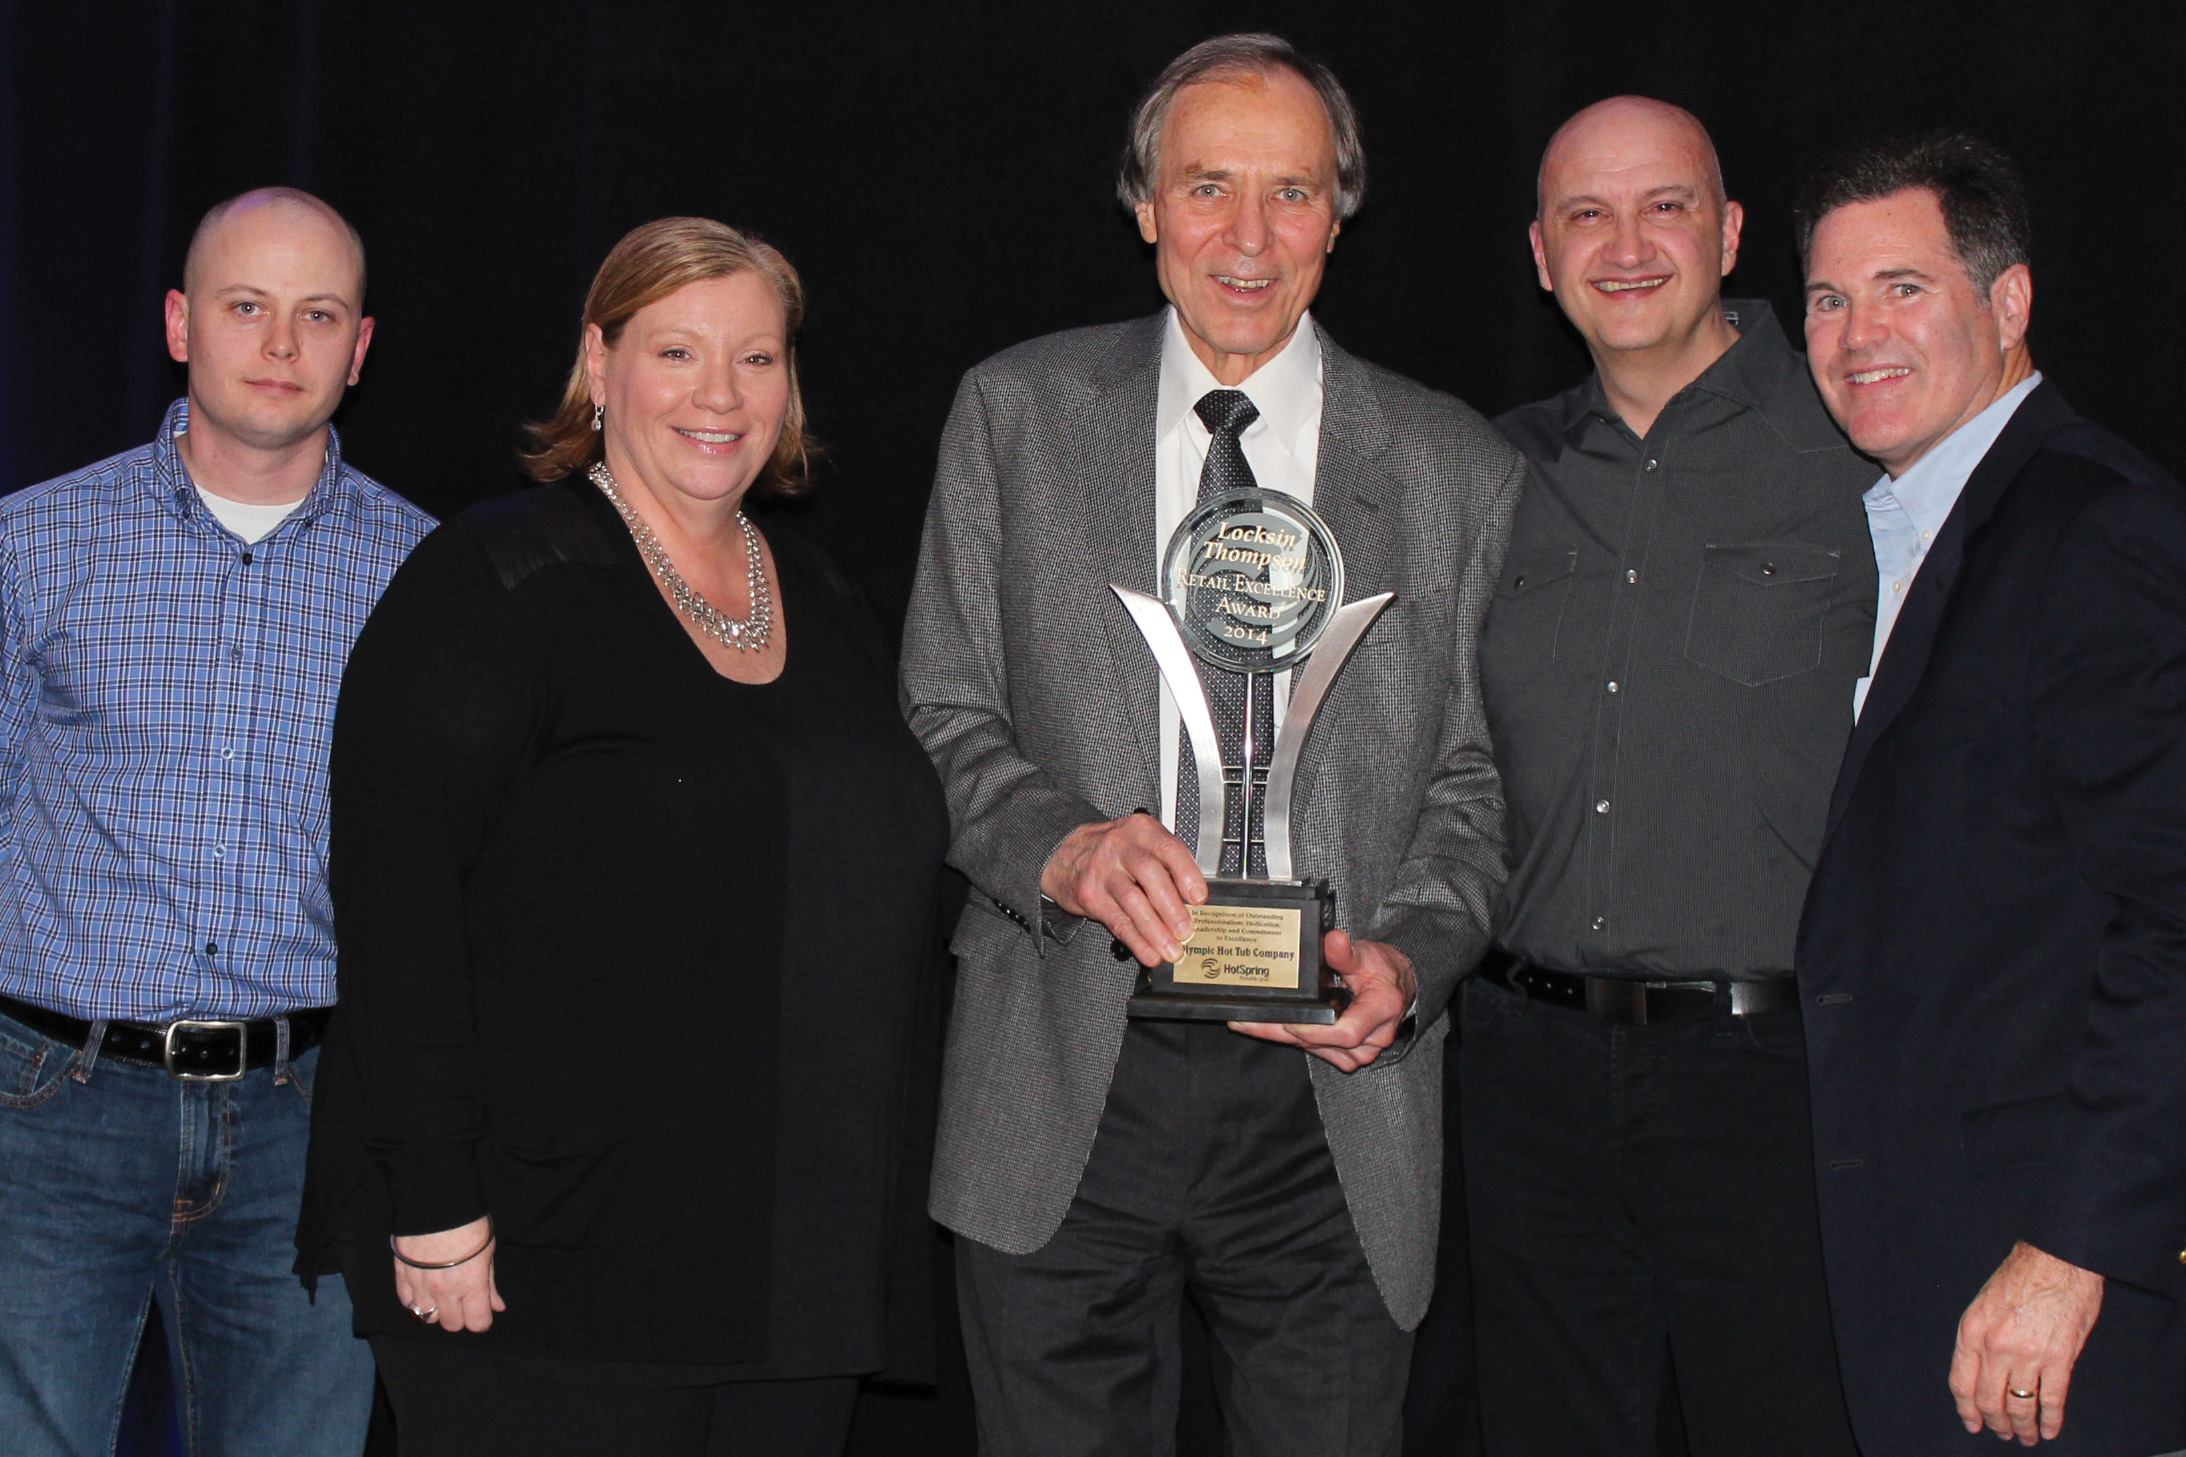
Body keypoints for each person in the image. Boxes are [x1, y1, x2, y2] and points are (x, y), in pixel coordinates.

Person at [899, 32, 1519, 1456]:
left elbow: (1478, 784)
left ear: (1339, 214)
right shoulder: (1016, 417)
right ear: (1143, 206)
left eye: (1291, 192)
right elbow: (942, 707)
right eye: (1206, 187)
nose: (1247, 237)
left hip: (1332, 1095)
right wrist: (1057, 848)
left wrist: (1411, 957)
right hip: (1065, 1061)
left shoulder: (1455, 469)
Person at [295, 217, 948, 1456]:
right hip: (539, 1259)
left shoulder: (818, 591)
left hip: (789, 1270)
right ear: (599, 367)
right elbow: (397, 903)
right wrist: (435, 1198)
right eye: (677, 352)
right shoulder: (492, 580)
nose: (720, 395)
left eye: (756, 359)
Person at [1468, 97, 1873, 1455]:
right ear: (1539, 252)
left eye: (1665, 206)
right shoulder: (1485, 475)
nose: (1624, 243)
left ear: (1730, 231)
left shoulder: (1857, 447)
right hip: (1523, 1080)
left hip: (1771, 1082)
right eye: (1585, 213)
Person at [0, 187, 429, 1456]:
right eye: (247, 307)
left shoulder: (427, 578)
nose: (281, 345)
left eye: (318, 315)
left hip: (312, 1119)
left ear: (359, 347)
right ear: (183, 323)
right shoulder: (33, 544)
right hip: (51, 1108)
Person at [1793, 132, 2186, 1456]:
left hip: (2043, 1296)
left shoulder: (2096, 532)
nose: (1857, 336)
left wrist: (2074, 1245)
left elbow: (2175, 920)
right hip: (1923, 1258)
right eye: (1828, 299)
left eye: (1901, 288)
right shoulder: (1897, 531)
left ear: (2005, 303)